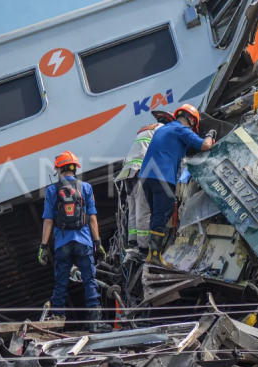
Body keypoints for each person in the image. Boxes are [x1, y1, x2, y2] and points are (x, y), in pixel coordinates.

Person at [139, 104, 215, 268]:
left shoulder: (163, 130)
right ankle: (155, 256)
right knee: (161, 215)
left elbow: (180, 149)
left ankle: (152, 255)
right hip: (163, 177)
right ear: (190, 120)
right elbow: (206, 146)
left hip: (146, 176)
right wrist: (210, 135)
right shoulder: (182, 130)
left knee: (155, 214)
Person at [38, 151, 107, 333]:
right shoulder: (86, 188)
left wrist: (43, 246)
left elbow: (48, 220)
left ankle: (57, 323)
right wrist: (97, 242)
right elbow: (92, 218)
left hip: (62, 244)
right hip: (84, 242)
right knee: (89, 280)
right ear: (75, 168)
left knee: (61, 283)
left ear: (58, 170)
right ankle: (94, 323)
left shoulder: (52, 190)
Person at [115, 112, 172, 253]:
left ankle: (133, 240)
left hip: (128, 170)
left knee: (133, 205)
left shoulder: (147, 128)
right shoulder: (163, 130)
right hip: (141, 168)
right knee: (144, 208)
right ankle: (144, 246)